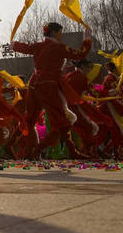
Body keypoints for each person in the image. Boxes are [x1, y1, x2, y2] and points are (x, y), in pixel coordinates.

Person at [11, 22, 92, 158]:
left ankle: (11, 144)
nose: (61, 35)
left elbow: (26, 48)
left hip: (34, 83)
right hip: (48, 85)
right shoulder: (59, 47)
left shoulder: (38, 46)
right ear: (54, 32)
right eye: (60, 32)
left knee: (30, 119)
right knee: (62, 120)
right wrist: (87, 40)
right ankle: (40, 150)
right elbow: (80, 54)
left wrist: (14, 44)